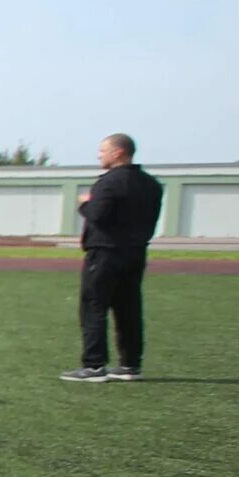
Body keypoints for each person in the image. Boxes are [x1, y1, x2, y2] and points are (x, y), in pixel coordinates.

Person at [66, 132, 164, 382]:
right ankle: (130, 365)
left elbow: (98, 215)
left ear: (118, 152)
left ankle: (94, 365)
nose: (99, 155)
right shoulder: (150, 184)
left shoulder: (108, 182)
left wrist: (85, 203)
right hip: (135, 252)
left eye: (103, 150)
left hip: (105, 252)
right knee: (129, 308)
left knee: (94, 305)